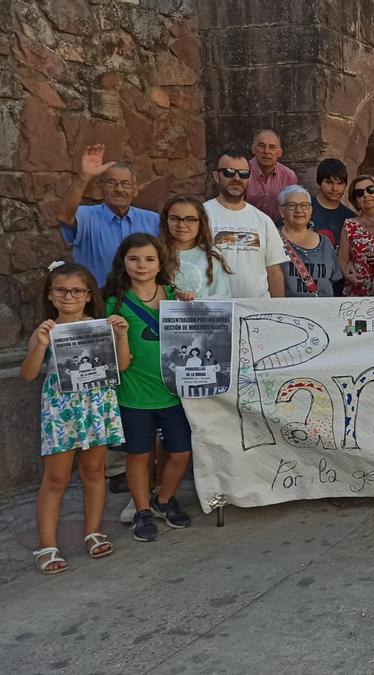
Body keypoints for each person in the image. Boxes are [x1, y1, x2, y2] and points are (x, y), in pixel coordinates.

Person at [21, 262, 128, 573]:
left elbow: (120, 366)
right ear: (51, 296)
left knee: (94, 472)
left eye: (77, 290)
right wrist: (40, 347)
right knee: (55, 479)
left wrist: (121, 336)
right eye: (61, 290)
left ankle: (93, 532)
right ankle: (47, 546)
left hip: (96, 404)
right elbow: (27, 374)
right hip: (61, 410)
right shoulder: (46, 330)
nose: (69, 296)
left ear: (87, 295)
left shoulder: (99, 326)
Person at [104, 233, 194, 542]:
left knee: (181, 452)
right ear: (123, 262)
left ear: (160, 263)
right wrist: (118, 332)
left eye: (149, 259)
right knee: (139, 456)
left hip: (172, 392)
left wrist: (188, 307)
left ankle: (163, 500)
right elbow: (119, 363)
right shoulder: (114, 303)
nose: (141, 265)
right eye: (134, 259)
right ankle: (142, 510)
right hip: (134, 394)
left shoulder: (173, 294)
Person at [55, 144, 159, 286]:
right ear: (101, 188)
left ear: (135, 190)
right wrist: (84, 176)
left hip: (140, 304)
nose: (119, 189)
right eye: (111, 183)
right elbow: (63, 216)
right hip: (99, 302)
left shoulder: (154, 220)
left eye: (125, 184)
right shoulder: (87, 216)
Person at [204, 151, 287, 298]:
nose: (236, 178)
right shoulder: (202, 215)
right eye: (229, 172)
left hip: (257, 310)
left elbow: (274, 272)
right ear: (216, 177)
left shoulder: (263, 220)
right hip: (214, 311)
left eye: (243, 174)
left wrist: (278, 309)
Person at [159, 195, 232, 299]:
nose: (181, 225)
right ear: (166, 220)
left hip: (201, 314)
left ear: (201, 222)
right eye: (175, 218)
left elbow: (221, 296)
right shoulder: (155, 252)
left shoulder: (211, 254)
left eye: (190, 219)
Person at [338, 174, 374, 297]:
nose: (366, 195)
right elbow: (342, 259)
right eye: (359, 193)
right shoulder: (350, 225)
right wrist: (347, 273)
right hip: (358, 293)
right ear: (356, 201)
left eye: (370, 190)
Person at [278, 185, 342, 297]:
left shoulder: (325, 243)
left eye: (304, 205)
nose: (299, 210)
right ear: (282, 211)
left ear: (311, 211)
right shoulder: (273, 239)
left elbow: (334, 279)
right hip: (285, 311)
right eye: (292, 206)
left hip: (321, 310)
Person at [245, 129, 299, 225]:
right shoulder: (243, 172)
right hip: (247, 226)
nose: (266, 151)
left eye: (272, 147)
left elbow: (292, 209)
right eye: (261, 146)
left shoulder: (288, 176)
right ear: (253, 149)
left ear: (280, 152)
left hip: (279, 229)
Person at [311, 158, 357, 247]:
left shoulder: (350, 218)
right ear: (319, 182)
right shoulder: (303, 206)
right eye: (329, 182)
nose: (335, 188)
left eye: (340, 183)